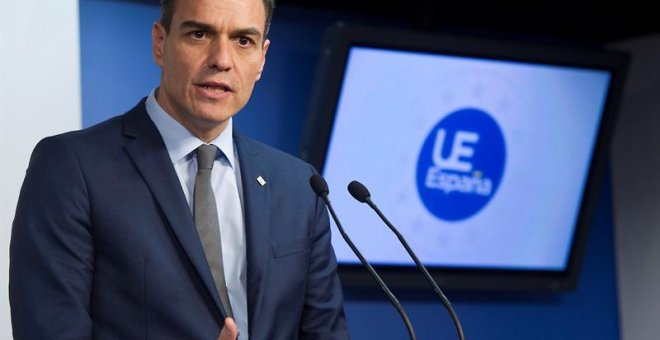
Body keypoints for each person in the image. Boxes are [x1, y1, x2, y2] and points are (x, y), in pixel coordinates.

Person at [9, 0, 349, 338]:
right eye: (199, 34)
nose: (222, 60)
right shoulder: (72, 167)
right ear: (160, 43)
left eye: (243, 41)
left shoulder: (299, 186)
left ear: (262, 58)